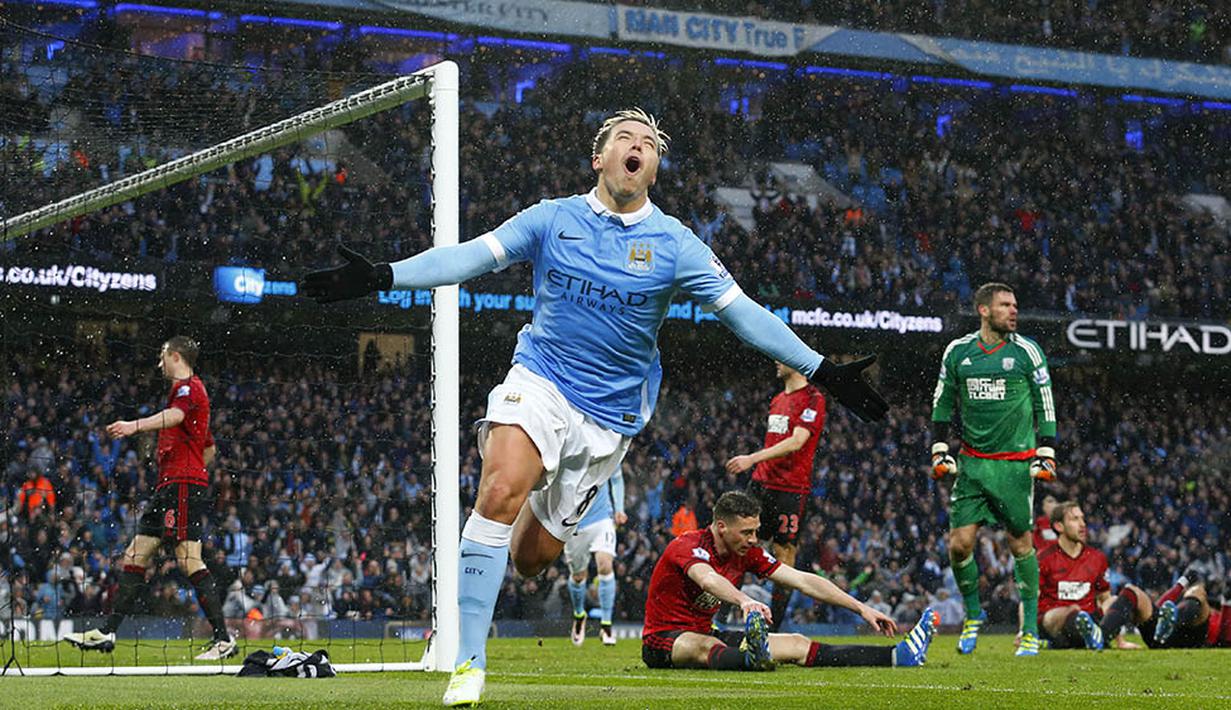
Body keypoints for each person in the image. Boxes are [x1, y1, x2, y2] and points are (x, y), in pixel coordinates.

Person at [303, 108, 889, 706]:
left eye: (650, 144)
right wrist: (385, 274)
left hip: (607, 423)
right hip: (541, 380)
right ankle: (468, 665)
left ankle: (538, 483)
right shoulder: (552, 219)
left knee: (531, 559)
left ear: (654, 168)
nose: (639, 147)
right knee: (498, 489)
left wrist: (821, 370)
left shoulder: (676, 243)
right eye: (626, 139)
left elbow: (743, 313)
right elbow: (473, 257)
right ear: (599, 158)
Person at [62, 337, 233, 661]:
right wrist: (193, 466)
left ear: (175, 356)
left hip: (181, 483)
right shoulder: (192, 395)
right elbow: (208, 447)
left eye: (162, 356)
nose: (159, 363)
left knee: (188, 559)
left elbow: (176, 417)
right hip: (175, 483)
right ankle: (108, 632)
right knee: (135, 553)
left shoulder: (188, 388)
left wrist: (134, 426)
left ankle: (223, 639)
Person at [640, 491, 937, 671]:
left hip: (710, 632)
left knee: (797, 644)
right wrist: (745, 600)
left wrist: (861, 608)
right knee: (702, 646)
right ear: (721, 526)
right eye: (746, 532)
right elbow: (706, 578)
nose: (754, 539)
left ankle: (899, 656)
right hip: (663, 640)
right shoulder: (687, 546)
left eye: (755, 531)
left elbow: (802, 580)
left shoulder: (746, 551)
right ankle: (750, 660)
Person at [930, 282, 1057, 657]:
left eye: (1015, 304)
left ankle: (1030, 629)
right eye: (1005, 305)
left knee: (1020, 545)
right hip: (971, 464)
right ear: (984, 310)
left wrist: (1047, 450)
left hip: (1015, 466)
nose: (1013, 310)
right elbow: (943, 401)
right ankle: (973, 616)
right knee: (958, 544)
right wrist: (939, 447)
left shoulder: (1027, 351)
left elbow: (1044, 402)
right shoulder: (959, 352)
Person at [725, 361, 825, 631]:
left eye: (781, 357)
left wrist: (752, 458)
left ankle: (771, 629)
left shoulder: (813, 399)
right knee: (735, 542)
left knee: (784, 554)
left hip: (790, 489)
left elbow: (797, 442)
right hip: (760, 483)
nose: (775, 362)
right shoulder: (778, 400)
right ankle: (718, 620)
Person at [1037, 502, 1148, 650]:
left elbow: (1105, 599)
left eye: (1082, 519)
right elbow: (1030, 599)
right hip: (1055, 623)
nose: (1082, 524)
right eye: (1074, 519)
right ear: (1059, 527)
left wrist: (1120, 640)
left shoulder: (1097, 558)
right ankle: (1094, 637)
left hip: (1088, 619)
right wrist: (1024, 633)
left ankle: (1093, 636)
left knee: (1115, 600)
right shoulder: (1043, 558)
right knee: (1070, 611)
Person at [563, 463, 626, 647]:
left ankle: (606, 625)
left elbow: (616, 478)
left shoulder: (607, 445)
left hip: (602, 518)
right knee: (578, 576)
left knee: (605, 565)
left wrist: (619, 509)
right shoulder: (568, 447)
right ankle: (579, 614)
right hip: (574, 522)